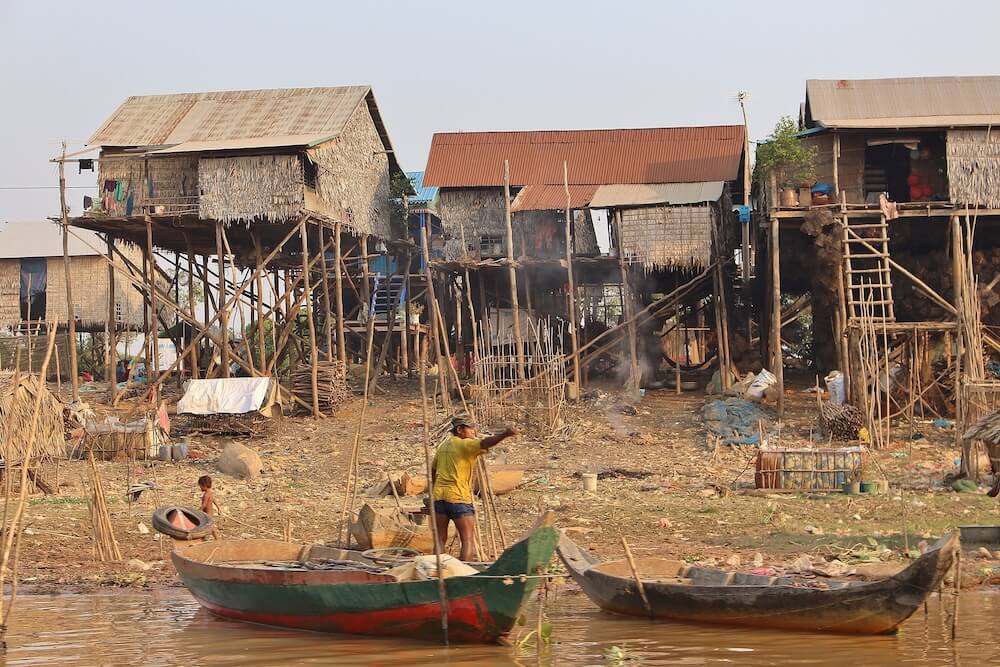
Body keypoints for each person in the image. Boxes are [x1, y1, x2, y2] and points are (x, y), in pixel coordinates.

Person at [431, 416, 518, 561]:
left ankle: (435, 573)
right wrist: (505, 434)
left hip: (439, 497)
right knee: (467, 540)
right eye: (470, 428)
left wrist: (434, 489)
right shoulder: (464, 445)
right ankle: (463, 575)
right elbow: (485, 443)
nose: (473, 431)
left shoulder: (443, 446)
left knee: (440, 539)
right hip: (458, 498)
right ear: (459, 430)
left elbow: (433, 469)